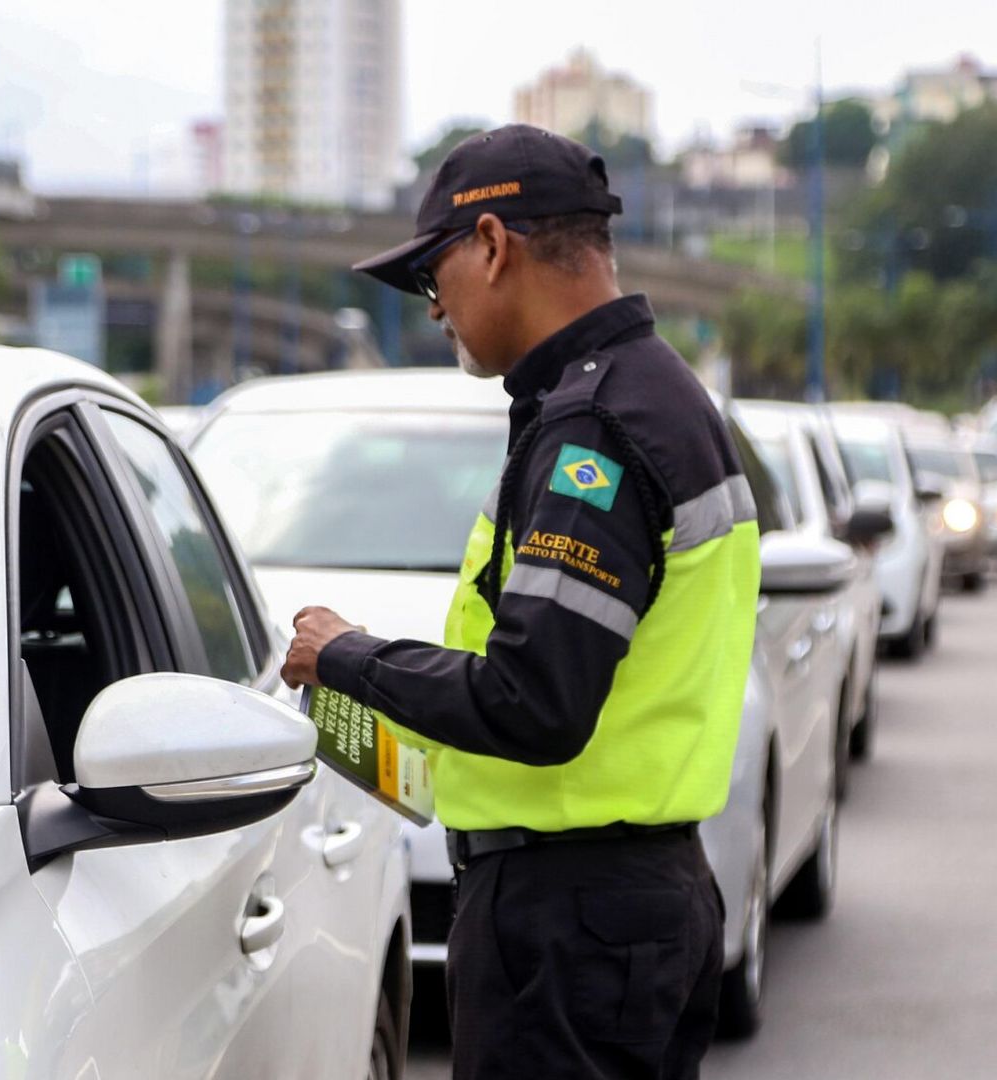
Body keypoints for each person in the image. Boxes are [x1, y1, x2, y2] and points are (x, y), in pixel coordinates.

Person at [279, 125, 761, 1079]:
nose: (436, 313)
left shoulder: (597, 429)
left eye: (432, 279)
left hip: (568, 930)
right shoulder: (658, 396)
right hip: (628, 906)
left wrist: (348, 656)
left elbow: (535, 702)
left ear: (493, 245)